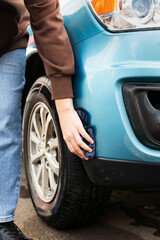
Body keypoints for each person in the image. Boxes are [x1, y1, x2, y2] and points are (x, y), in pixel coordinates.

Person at [0, 0, 94, 239]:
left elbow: (47, 21)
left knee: (5, 124)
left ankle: (2, 222)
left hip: (6, 37)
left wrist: (64, 108)